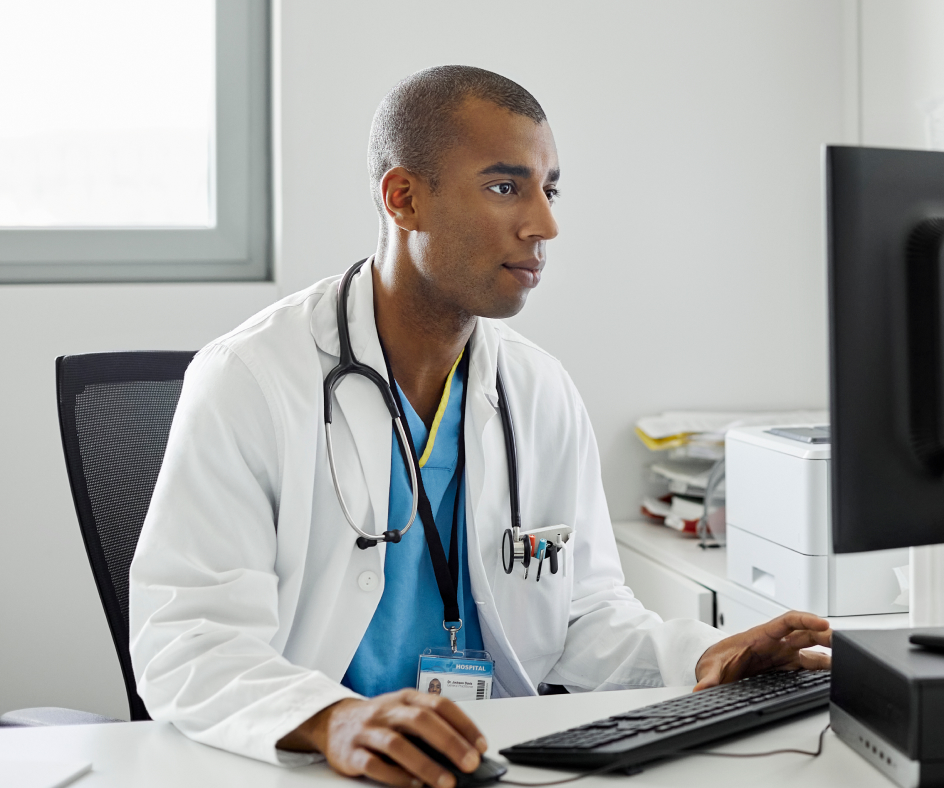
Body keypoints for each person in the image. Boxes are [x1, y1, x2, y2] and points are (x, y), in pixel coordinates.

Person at [127, 65, 831, 788]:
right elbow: (187, 641)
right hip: (318, 766)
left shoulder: (538, 389)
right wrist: (331, 718)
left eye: (549, 188)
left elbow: (584, 617)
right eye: (505, 187)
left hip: (491, 763)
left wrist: (699, 655)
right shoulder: (252, 380)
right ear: (403, 199)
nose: (545, 224)